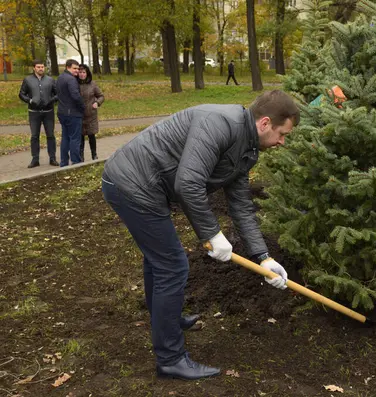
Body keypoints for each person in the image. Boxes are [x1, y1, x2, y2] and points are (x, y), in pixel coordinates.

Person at [101, 90, 300, 380]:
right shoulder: (219, 123)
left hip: (150, 186)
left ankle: (165, 319)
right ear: (265, 123)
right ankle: (170, 359)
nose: (283, 142)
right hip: (131, 184)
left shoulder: (247, 147)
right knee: (172, 265)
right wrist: (213, 234)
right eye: (283, 134)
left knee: (161, 260)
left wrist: (263, 257)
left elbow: (241, 206)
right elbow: (188, 184)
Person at [18, 59, 59, 168]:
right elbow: (21, 94)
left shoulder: (50, 80)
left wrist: (51, 100)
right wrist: (30, 100)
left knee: (50, 135)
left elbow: (58, 94)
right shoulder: (27, 80)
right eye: (38, 67)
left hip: (48, 112)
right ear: (34, 68)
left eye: (42, 67)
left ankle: (52, 158)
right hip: (34, 113)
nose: (41, 69)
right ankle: (35, 159)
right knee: (34, 136)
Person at [56, 59, 85, 167]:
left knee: (65, 137)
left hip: (62, 112)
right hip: (72, 113)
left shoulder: (59, 78)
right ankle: (76, 162)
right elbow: (75, 96)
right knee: (74, 138)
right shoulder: (71, 80)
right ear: (68, 67)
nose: (77, 71)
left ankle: (63, 162)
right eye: (75, 68)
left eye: (78, 68)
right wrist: (83, 107)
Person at [77, 64, 104, 161]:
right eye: (80, 72)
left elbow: (101, 96)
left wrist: (97, 103)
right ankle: (81, 156)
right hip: (79, 115)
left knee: (91, 135)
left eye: (84, 72)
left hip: (91, 115)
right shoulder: (75, 84)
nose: (82, 74)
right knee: (80, 137)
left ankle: (94, 154)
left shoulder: (92, 84)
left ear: (87, 73)